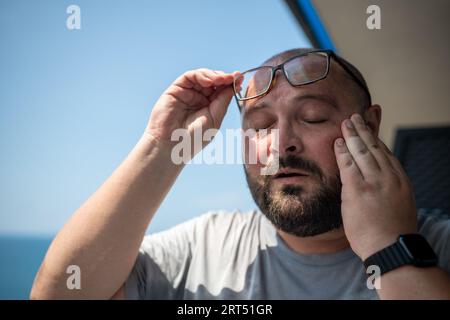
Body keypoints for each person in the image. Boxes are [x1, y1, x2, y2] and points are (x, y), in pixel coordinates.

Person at [30, 48, 450, 300]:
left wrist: (390, 250)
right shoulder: (202, 249)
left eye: (314, 117)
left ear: (369, 127)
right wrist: (161, 146)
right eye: (260, 125)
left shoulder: (441, 246)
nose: (282, 142)